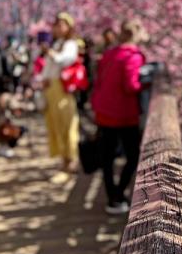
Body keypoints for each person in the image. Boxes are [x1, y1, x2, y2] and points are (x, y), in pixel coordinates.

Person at [90, 19, 147, 214]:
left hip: (104, 111)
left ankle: (112, 197)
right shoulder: (133, 56)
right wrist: (145, 84)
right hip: (123, 114)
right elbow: (131, 86)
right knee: (133, 156)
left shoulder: (109, 54)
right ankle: (119, 193)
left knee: (107, 157)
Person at [41, 13, 81, 173]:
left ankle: (71, 159)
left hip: (62, 88)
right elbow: (49, 66)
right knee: (55, 123)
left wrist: (49, 52)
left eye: (61, 25)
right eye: (56, 25)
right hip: (52, 87)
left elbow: (64, 60)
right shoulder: (57, 43)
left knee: (66, 123)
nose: (57, 28)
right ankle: (63, 159)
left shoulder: (71, 44)